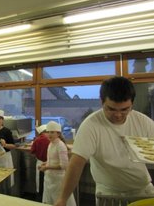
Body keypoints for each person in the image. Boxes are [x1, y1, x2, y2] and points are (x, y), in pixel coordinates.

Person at [55, 76, 154, 206]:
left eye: (125, 109)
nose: (118, 115)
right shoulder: (91, 125)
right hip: (109, 194)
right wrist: (62, 199)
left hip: (143, 190)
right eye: (111, 109)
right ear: (102, 102)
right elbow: (76, 163)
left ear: (132, 104)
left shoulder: (143, 122)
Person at [39, 121, 76, 206]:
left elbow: (64, 165)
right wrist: (45, 163)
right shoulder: (51, 144)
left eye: (52, 132)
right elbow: (52, 159)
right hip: (49, 178)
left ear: (58, 133)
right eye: (48, 132)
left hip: (58, 180)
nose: (49, 134)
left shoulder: (60, 145)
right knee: (49, 201)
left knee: (59, 201)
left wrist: (47, 167)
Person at [30, 124, 50, 201]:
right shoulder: (50, 139)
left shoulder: (37, 140)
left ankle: (40, 198)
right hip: (49, 162)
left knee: (40, 182)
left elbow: (32, 151)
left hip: (40, 162)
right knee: (48, 182)